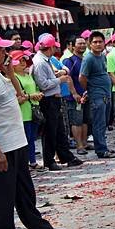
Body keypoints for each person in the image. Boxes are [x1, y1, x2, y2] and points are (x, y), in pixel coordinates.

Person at [0, 29, 69, 229]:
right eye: (1, 48)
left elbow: (19, 96)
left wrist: (8, 72)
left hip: (15, 143)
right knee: (2, 198)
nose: (5, 52)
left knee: (24, 193)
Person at [32, 34, 82, 171]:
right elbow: (43, 84)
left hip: (54, 98)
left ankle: (66, 156)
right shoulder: (40, 62)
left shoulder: (46, 60)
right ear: (50, 47)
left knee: (60, 130)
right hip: (48, 99)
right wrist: (60, 80)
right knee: (50, 132)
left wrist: (57, 75)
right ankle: (49, 161)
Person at [80, 31, 115, 158]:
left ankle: (103, 146)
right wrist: (89, 90)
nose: (98, 44)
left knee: (104, 122)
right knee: (98, 123)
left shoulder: (102, 56)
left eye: (100, 42)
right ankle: (101, 150)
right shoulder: (88, 58)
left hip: (106, 94)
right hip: (97, 95)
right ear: (90, 44)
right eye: (95, 42)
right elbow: (82, 77)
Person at [11, 50, 46, 172]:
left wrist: (38, 94)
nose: (22, 62)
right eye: (19, 60)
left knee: (32, 138)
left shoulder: (28, 75)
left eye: (24, 60)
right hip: (23, 112)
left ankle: (32, 161)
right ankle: (24, 163)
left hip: (33, 111)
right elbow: (17, 96)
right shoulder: (13, 77)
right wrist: (31, 96)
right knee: (25, 139)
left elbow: (35, 88)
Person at [62, 37, 91, 155]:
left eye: (84, 43)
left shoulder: (85, 59)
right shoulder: (69, 61)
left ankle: (84, 143)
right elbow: (68, 78)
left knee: (85, 120)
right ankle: (79, 145)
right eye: (79, 43)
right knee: (76, 121)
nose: (82, 46)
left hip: (86, 96)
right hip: (75, 98)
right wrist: (74, 93)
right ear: (72, 46)